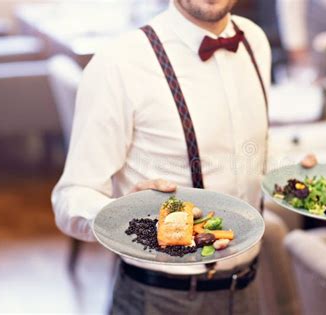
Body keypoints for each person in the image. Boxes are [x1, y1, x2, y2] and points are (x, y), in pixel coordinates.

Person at [51, 0, 309, 314]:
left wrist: (293, 170)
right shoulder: (120, 62)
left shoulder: (254, 40)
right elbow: (71, 197)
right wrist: (128, 218)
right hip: (161, 298)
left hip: (248, 289)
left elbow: (246, 151)